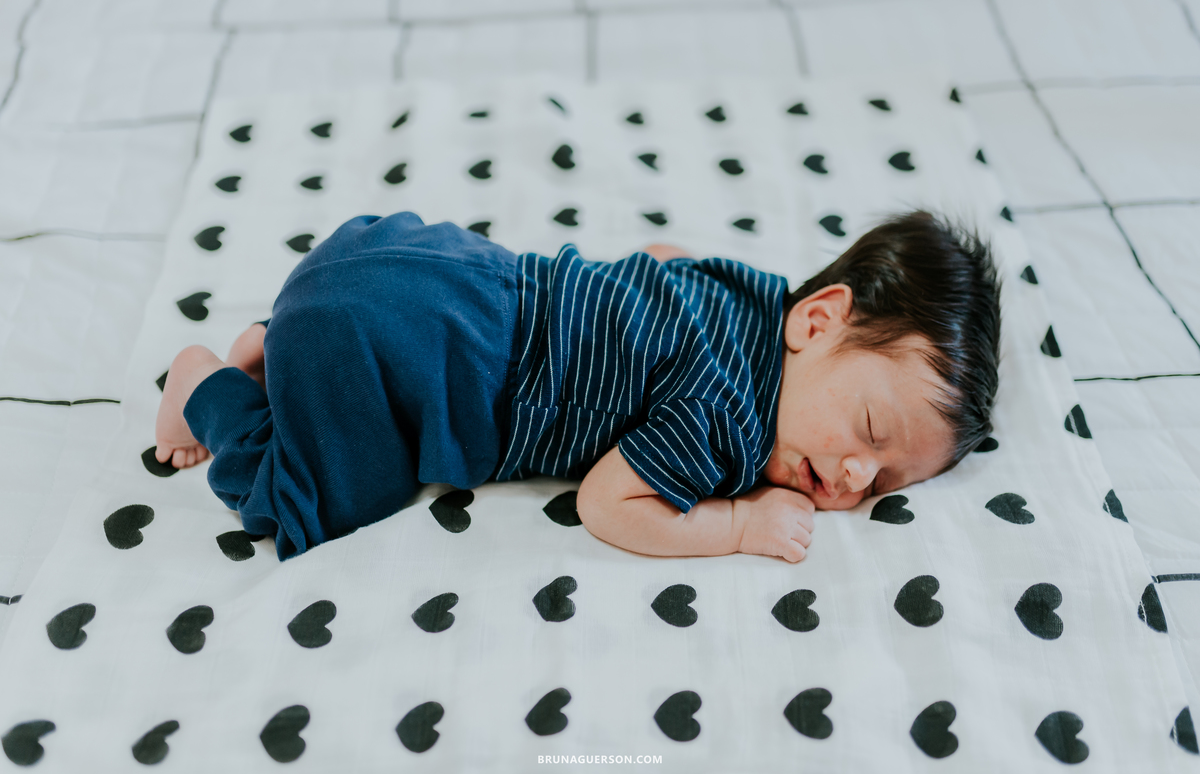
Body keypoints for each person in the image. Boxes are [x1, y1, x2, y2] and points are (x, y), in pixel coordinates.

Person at [154, 209, 1001, 562]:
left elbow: (660, 257)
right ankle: (209, 379)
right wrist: (739, 523)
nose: (854, 478)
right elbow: (606, 503)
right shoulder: (726, 414)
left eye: (885, 481)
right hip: (424, 353)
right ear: (818, 322)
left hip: (425, 267)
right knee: (298, 505)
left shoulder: (754, 294)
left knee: (329, 347)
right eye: (868, 431)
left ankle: (279, 340)